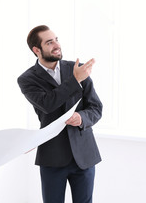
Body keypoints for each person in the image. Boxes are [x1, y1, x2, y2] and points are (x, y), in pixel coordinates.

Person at [17, 25, 103, 203]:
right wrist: (75, 80)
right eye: (49, 42)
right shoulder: (27, 79)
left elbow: (96, 107)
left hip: (84, 154)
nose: (56, 45)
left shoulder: (76, 68)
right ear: (36, 50)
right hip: (52, 157)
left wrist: (82, 118)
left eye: (56, 39)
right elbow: (47, 103)